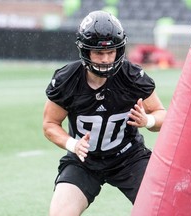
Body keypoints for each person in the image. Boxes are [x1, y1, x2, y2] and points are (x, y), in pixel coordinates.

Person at [43, 10, 167, 216]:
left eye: (111, 52)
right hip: (84, 161)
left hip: (128, 157)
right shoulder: (67, 80)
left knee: (163, 210)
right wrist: (73, 144)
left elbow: (163, 115)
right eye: (99, 53)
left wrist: (148, 120)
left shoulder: (132, 76)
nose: (106, 59)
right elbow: (49, 124)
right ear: (85, 51)